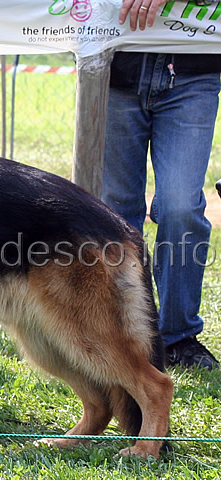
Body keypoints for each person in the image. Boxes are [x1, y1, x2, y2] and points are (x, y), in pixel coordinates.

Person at [102, 0, 221, 369]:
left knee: (180, 207)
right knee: (114, 212)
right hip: (115, 68)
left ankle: (178, 337)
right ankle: (122, 333)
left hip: (195, 71)